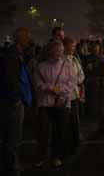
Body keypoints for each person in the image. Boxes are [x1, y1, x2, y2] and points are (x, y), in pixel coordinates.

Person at [34, 40, 73, 168]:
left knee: (59, 132)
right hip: (45, 104)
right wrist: (51, 88)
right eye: (56, 51)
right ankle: (41, 157)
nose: (59, 53)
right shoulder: (41, 66)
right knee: (43, 132)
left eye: (61, 51)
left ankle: (56, 156)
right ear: (50, 51)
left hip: (62, 104)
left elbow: (71, 85)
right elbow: (37, 85)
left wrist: (59, 90)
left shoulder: (67, 66)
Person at [0, 27, 32, 176]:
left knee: (12, 137)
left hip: (14, 101)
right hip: (13, 103)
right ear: (20, 39)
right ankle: (12, 168)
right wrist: (17, 98)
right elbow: (11, 81)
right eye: (26, 37)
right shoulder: (12, 56)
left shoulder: (17, 54)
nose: (29, 40)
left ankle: (11, 165)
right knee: (13, 137)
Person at [62, 37, 85, 154]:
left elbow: (81, 76)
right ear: (65, 46)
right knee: (65, 121)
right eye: (72, 46)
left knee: (75, 120)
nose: (73, 48)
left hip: (74, 95)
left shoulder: (74, 60)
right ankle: (65, 144)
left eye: (74, 46)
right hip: (63, 96)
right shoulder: (60, 60)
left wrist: (74, 81)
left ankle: (75, 141)